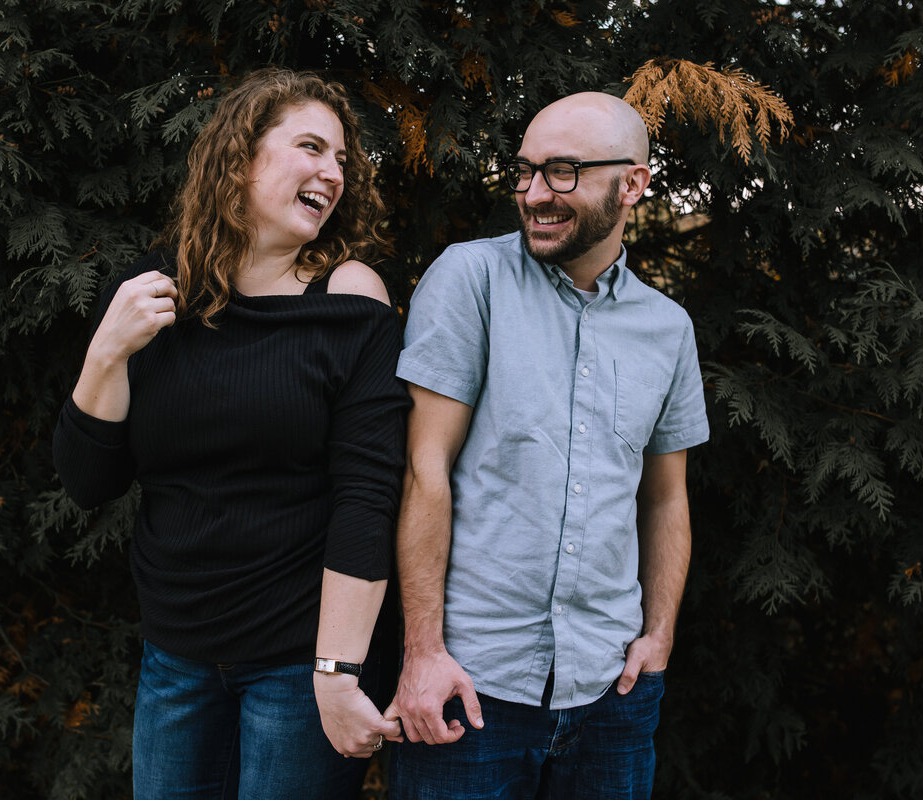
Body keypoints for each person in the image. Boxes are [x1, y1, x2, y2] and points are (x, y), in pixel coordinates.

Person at [52, 67, 407, 799]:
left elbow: (369, 496)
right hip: (176, 656)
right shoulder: (153, 292)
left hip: (298, 660)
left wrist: (338, 672)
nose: (332, 173)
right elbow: (91, 483)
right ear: (242, 157)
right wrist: (106, 351)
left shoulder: (348, 296)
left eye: (342, 159)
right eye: (312, 148)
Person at [384, 92, 710, 799]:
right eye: (526, 170)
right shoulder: (470, 280)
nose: (535, 194)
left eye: (562, 171)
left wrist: (659, 639)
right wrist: (422, 653)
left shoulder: (668, 328)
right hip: (471, 690)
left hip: (612, 696)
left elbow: (664, 496)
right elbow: (424, 471)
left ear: (633, 184)